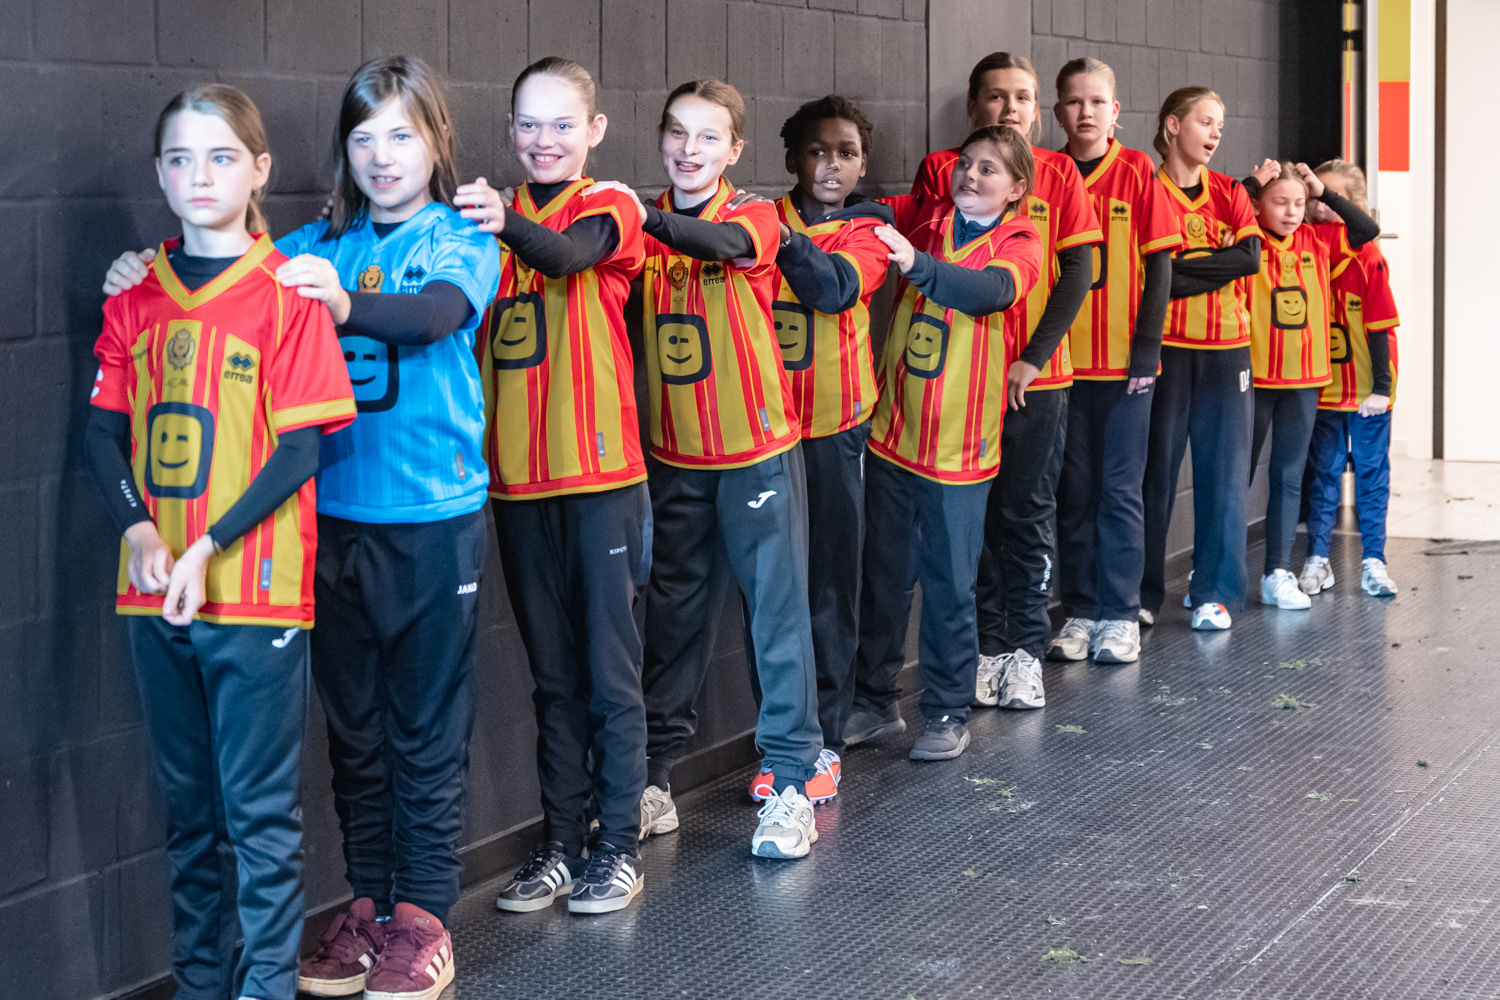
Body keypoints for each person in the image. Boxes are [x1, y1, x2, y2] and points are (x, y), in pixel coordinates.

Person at [103, 56, 502, 1000]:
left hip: (431, 520)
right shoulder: (319, 242)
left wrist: (346, 302)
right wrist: (139, 268)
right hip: (329, 524)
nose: (382, 155)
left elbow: (434, 315)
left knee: (425, 730)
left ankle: (424, 918)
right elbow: (224, 266)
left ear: (437, 142)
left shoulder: (460, 237)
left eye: (401, 135)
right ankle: (369, 905)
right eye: (363, 138)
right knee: (355, 733)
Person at [87, 84, 356, 1000]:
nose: (199, 176)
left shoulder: (289, 293)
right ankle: (201, 985)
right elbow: (101, 434)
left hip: (254, 593)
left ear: (259, 170)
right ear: (159, 173)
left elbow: (301, 449)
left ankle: (265, 987)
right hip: (153, 591)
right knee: (188, 819)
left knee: (260, 822)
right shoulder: (135, 295)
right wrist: (139, 527)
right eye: (179, 158)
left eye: (220, 157)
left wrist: (207, 545)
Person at [590, 79, 824, 860]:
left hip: (756, 453)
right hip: (673, 459)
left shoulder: (752, 215)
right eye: (677, 133)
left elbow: (721, 245)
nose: (690, 150)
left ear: (734, 150)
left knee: (776, 621)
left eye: (709, 137)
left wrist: (640, 218)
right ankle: (654, 781)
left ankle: (792, 785)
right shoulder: (640, 225)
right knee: (673, 624)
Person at [457, 57, 651, 914]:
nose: (544, 140)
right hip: (516, 486)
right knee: (554, 679)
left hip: (601, 477)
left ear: (595, 130)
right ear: (509, 131)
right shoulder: (484, 225)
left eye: (563, 123)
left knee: (610, 675)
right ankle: (563, 842)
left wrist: (499, 221)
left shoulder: (610, 206)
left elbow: (568, 256)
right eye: (529, 125)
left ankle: (619, 844)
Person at [882, 52, 1100, 712]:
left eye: (1024, 97)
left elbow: (1077, 273)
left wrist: (1033, 357)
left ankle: (1024, 651)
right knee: (966, 526)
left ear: (1038, 109)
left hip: (1032, 379)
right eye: (998, 97)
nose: (1011, 108)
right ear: (975, 107)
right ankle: (984, 648)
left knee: (1023, 516)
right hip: (955, 381)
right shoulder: (945, 169)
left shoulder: (1058, 173)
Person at [845, 125, 1043, 761]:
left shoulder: (1020, 241)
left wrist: (916, 264)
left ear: (1016, 189)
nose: (970, 176)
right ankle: (875, 703)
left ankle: (947, 710)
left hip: (959, 449)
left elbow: (989, 293)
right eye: (965, 164)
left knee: (950, 586)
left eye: (989, 169)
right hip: (893, 433)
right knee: (883, 579)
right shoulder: (928, 219)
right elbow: (861, 207)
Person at [737, 95, 891, 802]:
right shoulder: (760, 217)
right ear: (792, 158)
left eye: (847, 153)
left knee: (828, 585)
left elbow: (831, 291)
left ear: (862, 162)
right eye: (818, 152)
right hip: (764, 430)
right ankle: (779, 740)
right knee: (771, 594)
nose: (832, 165)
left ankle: (826, 738)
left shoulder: (872, 227)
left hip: (834, 428)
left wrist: (776, 240)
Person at [1048, 58, 1183, 665]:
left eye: (1097, 102)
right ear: (1058, 112)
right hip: (1061, 365)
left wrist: (1147, 351)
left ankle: (1120, 613)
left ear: (1115, 111)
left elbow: (1161, 268)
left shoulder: (1138, 172)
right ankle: (1080, 610)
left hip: (1126, 365)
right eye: (1075, 102)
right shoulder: (1045, 173)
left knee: (1121, 490)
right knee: (1074, 491)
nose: (1086, 112)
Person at [1140, 86, 1263, 631]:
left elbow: (1249, 259)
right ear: (1173, 125)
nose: (1215, 133)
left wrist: (1174, 270)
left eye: (1220, 125)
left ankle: (1213, 592)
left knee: (1224, 477)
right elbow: (1145, 277)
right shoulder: (1147, 190)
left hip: (1226, 352)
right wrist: (1216, 261)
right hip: (1165, 350)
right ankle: (1141, 594)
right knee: (1153, 477)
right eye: (1205, 122)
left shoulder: (1231, 191)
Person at [1241, 158, 1379, 610]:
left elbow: (1366, 229)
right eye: (1280, 202)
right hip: (1255, 379)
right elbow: (1219, 212)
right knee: (1236, 475)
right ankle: (1215, 567)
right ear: (1259, 205)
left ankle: (1277, 572)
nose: (1291, 212)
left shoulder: (1318, 240)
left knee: (1287, 476)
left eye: (1299, 203)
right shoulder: (1247, 236)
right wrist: (1250, 186)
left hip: (1304, 381)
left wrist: (1323, 193)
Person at [1299, 160, 1402, 598]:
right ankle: (1318, 558)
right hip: (1325, 385)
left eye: (1332, 197)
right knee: (1323, 473)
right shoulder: (1307, 245)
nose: (1321, 206)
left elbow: (1380, 327)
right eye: (1315, 196)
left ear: (1352, 203)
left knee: (1371, 474)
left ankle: (1373, 560)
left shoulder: (1368, 256)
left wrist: (1381, 388)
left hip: (1366, 388)